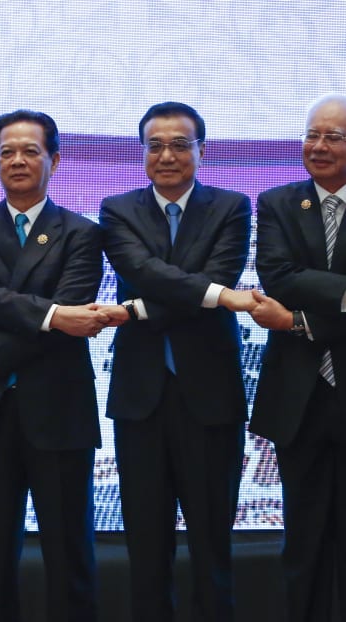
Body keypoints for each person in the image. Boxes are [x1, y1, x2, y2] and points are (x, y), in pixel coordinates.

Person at [0, 110, 106, 622]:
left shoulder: (82, 232)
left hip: (59, 407)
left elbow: (72, 317)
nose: (17, 160)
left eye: (30, 150)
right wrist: (49, 314)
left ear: (54, 159)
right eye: (7, 151)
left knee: (70, 551)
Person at [98, 102, 255, 622]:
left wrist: (137, 309)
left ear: (201, 151)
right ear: (143, 151)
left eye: (180, 144)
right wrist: (212, 294)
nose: (167, 155)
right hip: (140, 401)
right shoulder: (117, 210)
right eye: (155, 145)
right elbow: (142, 269)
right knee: (145, 549)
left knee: (213, 547)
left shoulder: (232, 208)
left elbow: (218, 274)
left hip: (210, 399)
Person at [248, 93, 346, 622]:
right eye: (312, 134)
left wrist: (299, 321)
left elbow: (296, 299)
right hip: (299, 401)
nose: (319, 145)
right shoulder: (279, 202)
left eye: (333, 136)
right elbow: (280, 278)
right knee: (303, 542)